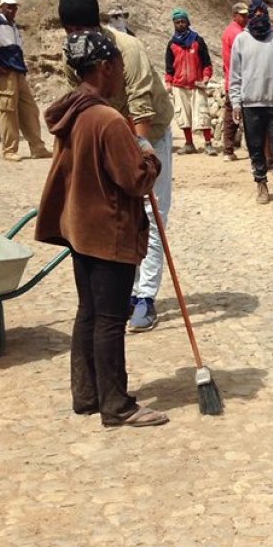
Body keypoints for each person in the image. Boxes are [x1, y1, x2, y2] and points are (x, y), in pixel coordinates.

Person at [36, 31, 168, 428]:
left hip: (81, 228)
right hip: (108, 231)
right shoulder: (108, 120)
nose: (122, 76)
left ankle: (87, 394)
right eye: (120, 68)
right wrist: (148, 155)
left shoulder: (74, 112)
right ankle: (117, 405)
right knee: (110, 318)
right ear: (106, 67)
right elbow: (136, 181)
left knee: (89, 312)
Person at [58, 0, 175, 334]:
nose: (75, 37)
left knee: (151, 214)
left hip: (149, 133)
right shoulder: (71, 55)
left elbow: (141, 110)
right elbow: (78, 100)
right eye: (69, 31)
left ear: (95, 25)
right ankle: (123, 291)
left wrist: (141, 162)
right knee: (120, 214)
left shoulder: (128, 49)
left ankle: (145, 297)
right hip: (109, 133)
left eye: (81, 29)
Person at [228, 0, 273, 206]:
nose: (258, 17)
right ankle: (261, 183)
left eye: (262, 13)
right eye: (255, 13)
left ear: (267, 15)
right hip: (250, 104)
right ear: (250, 16)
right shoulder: (241, 40)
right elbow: (235, 75)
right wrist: (235, 102)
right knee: (256, 146)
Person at [0, 0, 52, 162]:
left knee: (30, 110)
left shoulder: (13, 26)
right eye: (9, 6)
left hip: (18, 73)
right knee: (8, 111)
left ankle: (37, 148)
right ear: (1, 7)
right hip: (6, 73)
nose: (12, 9)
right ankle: (9, 150)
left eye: (15, 6)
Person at [165, 8, 215, 156]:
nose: (180, 24)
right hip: (179, 86)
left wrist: (205, 78)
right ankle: (189, 144)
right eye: (177, 22)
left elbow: (207, 63)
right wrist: (168, 83)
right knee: (183, 116)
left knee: (203, 114)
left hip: (196, 85)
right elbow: (169, 67)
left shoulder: (197, 41)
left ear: (188, 22)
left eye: (183, 21)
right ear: (174, 24)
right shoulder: (172, 44)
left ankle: (208, 144)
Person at [221, 2, 248, 158]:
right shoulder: (237, 34)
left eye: (246, 15)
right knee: (239, 116)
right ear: (234, 15)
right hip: (239, 80)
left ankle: (228, 149)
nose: (245, 18)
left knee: (231, 116)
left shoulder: (229, 32)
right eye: (242, 15)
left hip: (231, 79)